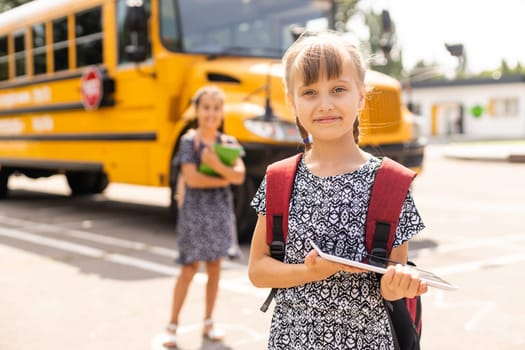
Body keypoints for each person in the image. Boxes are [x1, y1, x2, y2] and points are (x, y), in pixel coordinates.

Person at [247, 30, 428, 349]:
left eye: (338, 89)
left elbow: (390, 285)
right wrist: (310, 271)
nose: (325, 104)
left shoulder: (391, 184)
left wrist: (399, 285)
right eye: (310, 92)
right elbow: (258, 270)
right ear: (292, 102)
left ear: (361, 95)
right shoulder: (279, 179)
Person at [163, 85, 246, 348]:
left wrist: (215, 165)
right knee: (188, 268)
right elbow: (193, 179)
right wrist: (225, 176)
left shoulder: (228, 143)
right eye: (206, 107)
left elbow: (240, 176)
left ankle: (209, 322)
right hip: (195, 213)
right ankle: (172, 325)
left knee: (214, 268)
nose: (211, 113)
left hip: (220, 212)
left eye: (216, 108)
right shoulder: (189, 141)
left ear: (222, 113)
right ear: (197, 111)